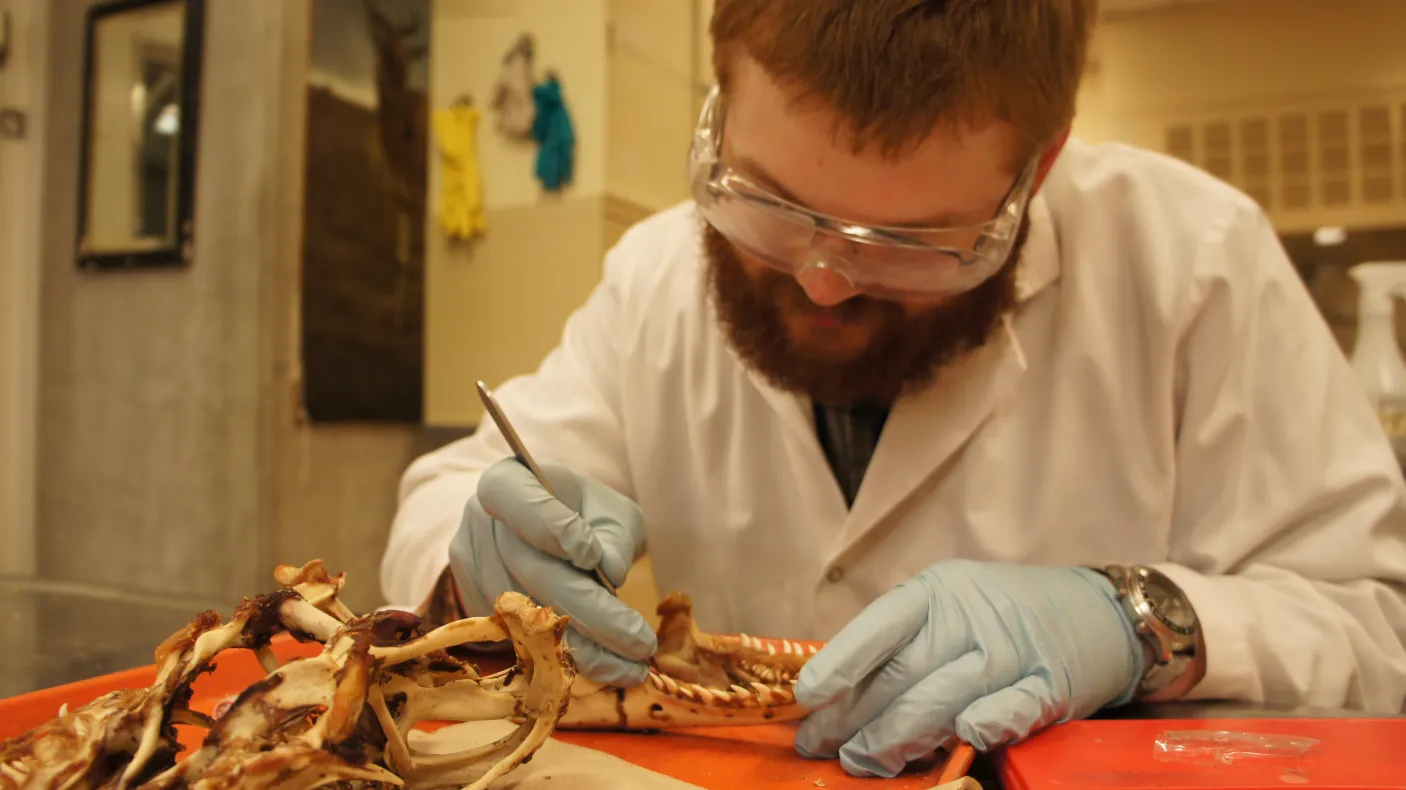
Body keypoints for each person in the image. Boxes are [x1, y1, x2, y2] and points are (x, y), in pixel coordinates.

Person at [382, 0, 1406, 778]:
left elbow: (1371, 623)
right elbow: (459, 490)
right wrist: (475, 567)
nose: (821, 279)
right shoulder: (656, 275)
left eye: (908, 244)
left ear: (1034, 172)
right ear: (717, 111)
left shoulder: (1191, 261)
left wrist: (1136, 625)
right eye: (770, 205)